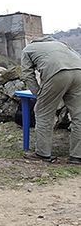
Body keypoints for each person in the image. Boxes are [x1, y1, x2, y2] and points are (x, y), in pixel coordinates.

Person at [21, 35, 81, 164]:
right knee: (79, 116)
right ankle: (77, 156)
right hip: (79, 72)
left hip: (57, 73)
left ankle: (42, 154)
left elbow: (27, 74)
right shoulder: (61, 44)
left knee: (43, 113)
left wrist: (38, 94)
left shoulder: (28, 49)